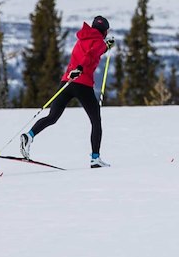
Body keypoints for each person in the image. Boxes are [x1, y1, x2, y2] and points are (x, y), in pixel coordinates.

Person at [20, 15, 114, 168]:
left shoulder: (82, 38)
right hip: (83, 84)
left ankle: (29, 136)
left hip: (67, 82)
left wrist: (105, 46)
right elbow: (91, 54)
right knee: (96, 121)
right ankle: (95, 158)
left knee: (52, 117)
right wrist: (81, 68)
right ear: (104, 32)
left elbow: (93, 50)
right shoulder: (98, 41)